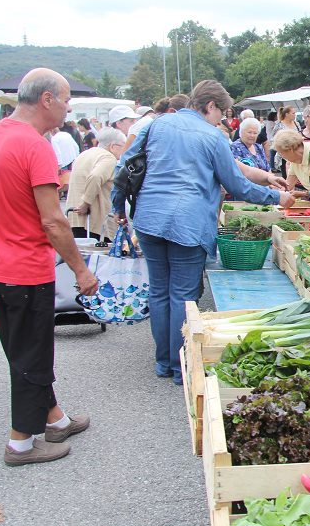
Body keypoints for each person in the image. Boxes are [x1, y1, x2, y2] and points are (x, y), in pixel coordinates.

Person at [0, 68, 98, 466]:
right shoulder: (35, 145)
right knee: (32, 356)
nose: (67, 109)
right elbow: (52, 221)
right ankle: (21, 444)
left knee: (23, 349)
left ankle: (55, 418)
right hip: (27, 268)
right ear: (46, 99)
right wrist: (81, 270)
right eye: (65, 100)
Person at [121, 80, 294, 384]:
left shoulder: (156, 125)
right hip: (188, 222)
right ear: (210, 106)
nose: (223, 120)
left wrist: (116, 208)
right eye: (222, 113)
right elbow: (238, 186)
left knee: (160, 291)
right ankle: (180, 368)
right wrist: (275, 197)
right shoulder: (213, 137)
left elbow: (125, 166)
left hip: (148, 218)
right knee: (183, 296)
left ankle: (163, 362)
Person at [66, 127, 125, 241]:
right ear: (112, 146)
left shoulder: (84, 154)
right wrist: (86, 203)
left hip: (75, 215)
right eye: (122, 146)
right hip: (93, 219)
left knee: (81, 253)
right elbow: (95, 176)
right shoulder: (108, 158)